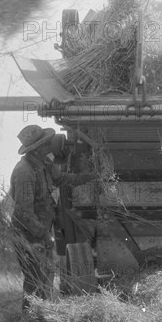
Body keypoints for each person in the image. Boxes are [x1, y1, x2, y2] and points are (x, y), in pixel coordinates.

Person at [10, 124, 95, 306]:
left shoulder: (44, 163)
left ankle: (40, 319)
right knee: (35, 281)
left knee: (45, 280)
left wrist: (88, 177)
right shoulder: (25, 172)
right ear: (37, 148)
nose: (50, 146)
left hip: (40, 232)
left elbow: (61, 179)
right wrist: (43, 234)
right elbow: (23, 212)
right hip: (28, 236)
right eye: (46, 144)